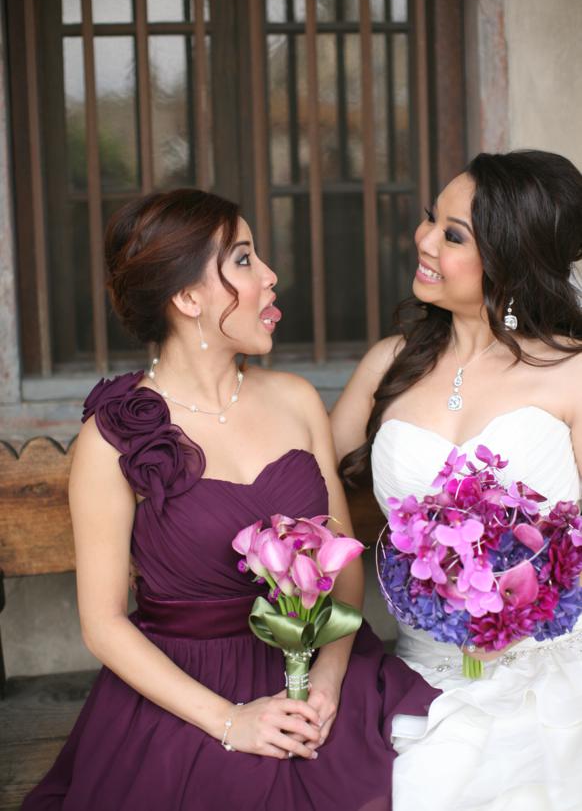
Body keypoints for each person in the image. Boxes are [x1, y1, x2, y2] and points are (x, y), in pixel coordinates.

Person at [23, 188, 437, 811]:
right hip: (189, 695)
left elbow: (345, 566)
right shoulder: (112, 439)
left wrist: (326, 682)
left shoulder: (297, 400)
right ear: (187, 298)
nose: (270, 276)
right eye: (243, 260)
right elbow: (102, 624)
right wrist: (231, 721)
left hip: (325, 666)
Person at [331, 150, 582, 811]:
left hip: (548, 671)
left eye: (452, 234)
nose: (423, 240)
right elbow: (303, 486)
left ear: (509, 259)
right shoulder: (390, 364)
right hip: (419, 676)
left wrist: (526, 599)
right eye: (429, 219)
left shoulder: (573, 374)